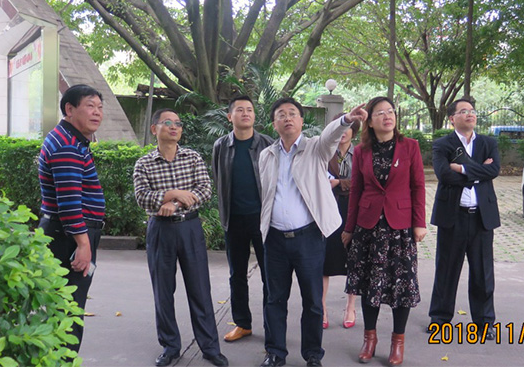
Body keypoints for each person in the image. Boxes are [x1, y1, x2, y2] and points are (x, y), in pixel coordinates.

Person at [258, 97, 367, 367]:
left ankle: (313, 354)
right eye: (281, 114)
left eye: (292, 113)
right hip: (275, 239)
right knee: (274, 299)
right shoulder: (266, 155)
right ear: (274, 123)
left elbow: (330, 137)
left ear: (301, 120)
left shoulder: (316, 148)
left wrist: (346, 120)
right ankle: (275, 353)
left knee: (313, 301)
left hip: (308, 238)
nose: (287, 118)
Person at [133, 109, 229, 367]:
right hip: (160, 230)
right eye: (168, 122)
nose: (174, 127)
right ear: (154, 129)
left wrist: (174, 204)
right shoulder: (144, 163)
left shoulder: (192, 157)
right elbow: (142, 197)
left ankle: (210, 347)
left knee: (200, 289)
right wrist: (173, 193)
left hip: (189, 228)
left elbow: (205, 190)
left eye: (178, 123)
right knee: (163, 290)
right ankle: (170, 346)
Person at [342, 96, 427, 365]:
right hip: (368, 228)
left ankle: (397, 342)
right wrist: (349, 228)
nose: (387, 116)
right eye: (380, 113)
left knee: (402, 286)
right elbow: (356, 190)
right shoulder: (361, 151)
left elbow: (418, 187)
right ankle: (369, 339)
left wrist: (419, 222)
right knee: (370, 285)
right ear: (369, 121)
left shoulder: (410, 146)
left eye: (390, 111)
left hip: (400, 228)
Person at [37, 84, 105, 353]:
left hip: (68, 234)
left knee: (66, 309)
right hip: (69, 237)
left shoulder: (71, 140)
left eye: (100, 107)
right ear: (69, 109)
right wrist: (83, 244)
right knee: (68, 313)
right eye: (90, 106)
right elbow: (68, 203)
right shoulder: (66, 145)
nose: (97, 112)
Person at [428, 97, 500, 340]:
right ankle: (439, 319)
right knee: (446, 269)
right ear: (452, 118)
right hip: (453, 215)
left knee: (483, 272)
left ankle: (484, 322)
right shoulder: (443, 144)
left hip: (481, 217)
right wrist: (480, 171)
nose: (470, 114)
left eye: (472, 110)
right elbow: (444, 175)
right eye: (463, 111)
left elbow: (494, 170)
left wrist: (461, 168)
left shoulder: (488, 143)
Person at [212, 95, 273, 342]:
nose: (245, 113)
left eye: (249, 109)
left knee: (270, 275)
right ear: (230, 116)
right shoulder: (220, 146)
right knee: (237, 274)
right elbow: (218, 179)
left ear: (254, 115)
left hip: (264, 220)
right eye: (240, 110)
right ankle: (242, 323)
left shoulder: (267, 144)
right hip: (234, 219)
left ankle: (272, 326)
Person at [322, 114, 359, 330]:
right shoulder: (325, 153)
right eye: (339, 128)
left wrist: (339, 183)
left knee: (353, 259)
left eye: (348, 128)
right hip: (329, 209)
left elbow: (366, 182)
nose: (343, 133)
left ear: (354, 131)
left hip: (354, 211)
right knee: (325, 261)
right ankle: (322, 308)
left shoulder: (361, 153)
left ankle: (350, 307)